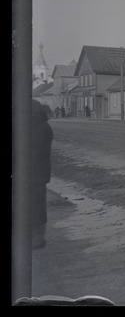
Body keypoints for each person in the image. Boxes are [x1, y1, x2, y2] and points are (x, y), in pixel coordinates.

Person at [31, 99, 54, 249]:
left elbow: (38, 152)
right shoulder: (39, 126)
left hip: (35, 172)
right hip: (33, 172)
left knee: (37, 205)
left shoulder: (42, 128)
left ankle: (38, 238)